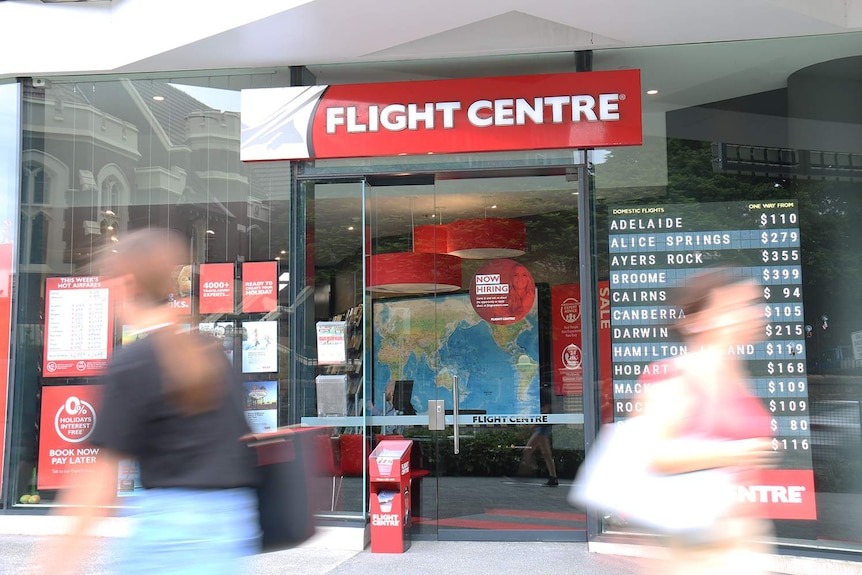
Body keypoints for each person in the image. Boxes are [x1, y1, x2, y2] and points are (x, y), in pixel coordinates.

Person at [32, 229, 259, 575]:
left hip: (167, 532)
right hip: (228, 524)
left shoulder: (135, 361)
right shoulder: (210, 354)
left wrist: (52, 564)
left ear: (128, 283)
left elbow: (100, 482)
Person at [635, 268, 778, 575]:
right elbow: (650, 455)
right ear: (700, 320)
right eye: (738, 305)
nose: (755, 312)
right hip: (695, 550)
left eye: (754, 303)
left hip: (738, 541)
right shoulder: (676, 376)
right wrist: (734, 452)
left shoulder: (735, 374)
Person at [518, 422, 559, 486]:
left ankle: (529, 469)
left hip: (542, 429)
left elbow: (543, 419)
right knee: (546, 453)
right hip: (542, 428)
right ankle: (553, 477)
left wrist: (530, 428)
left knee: (527, 450)